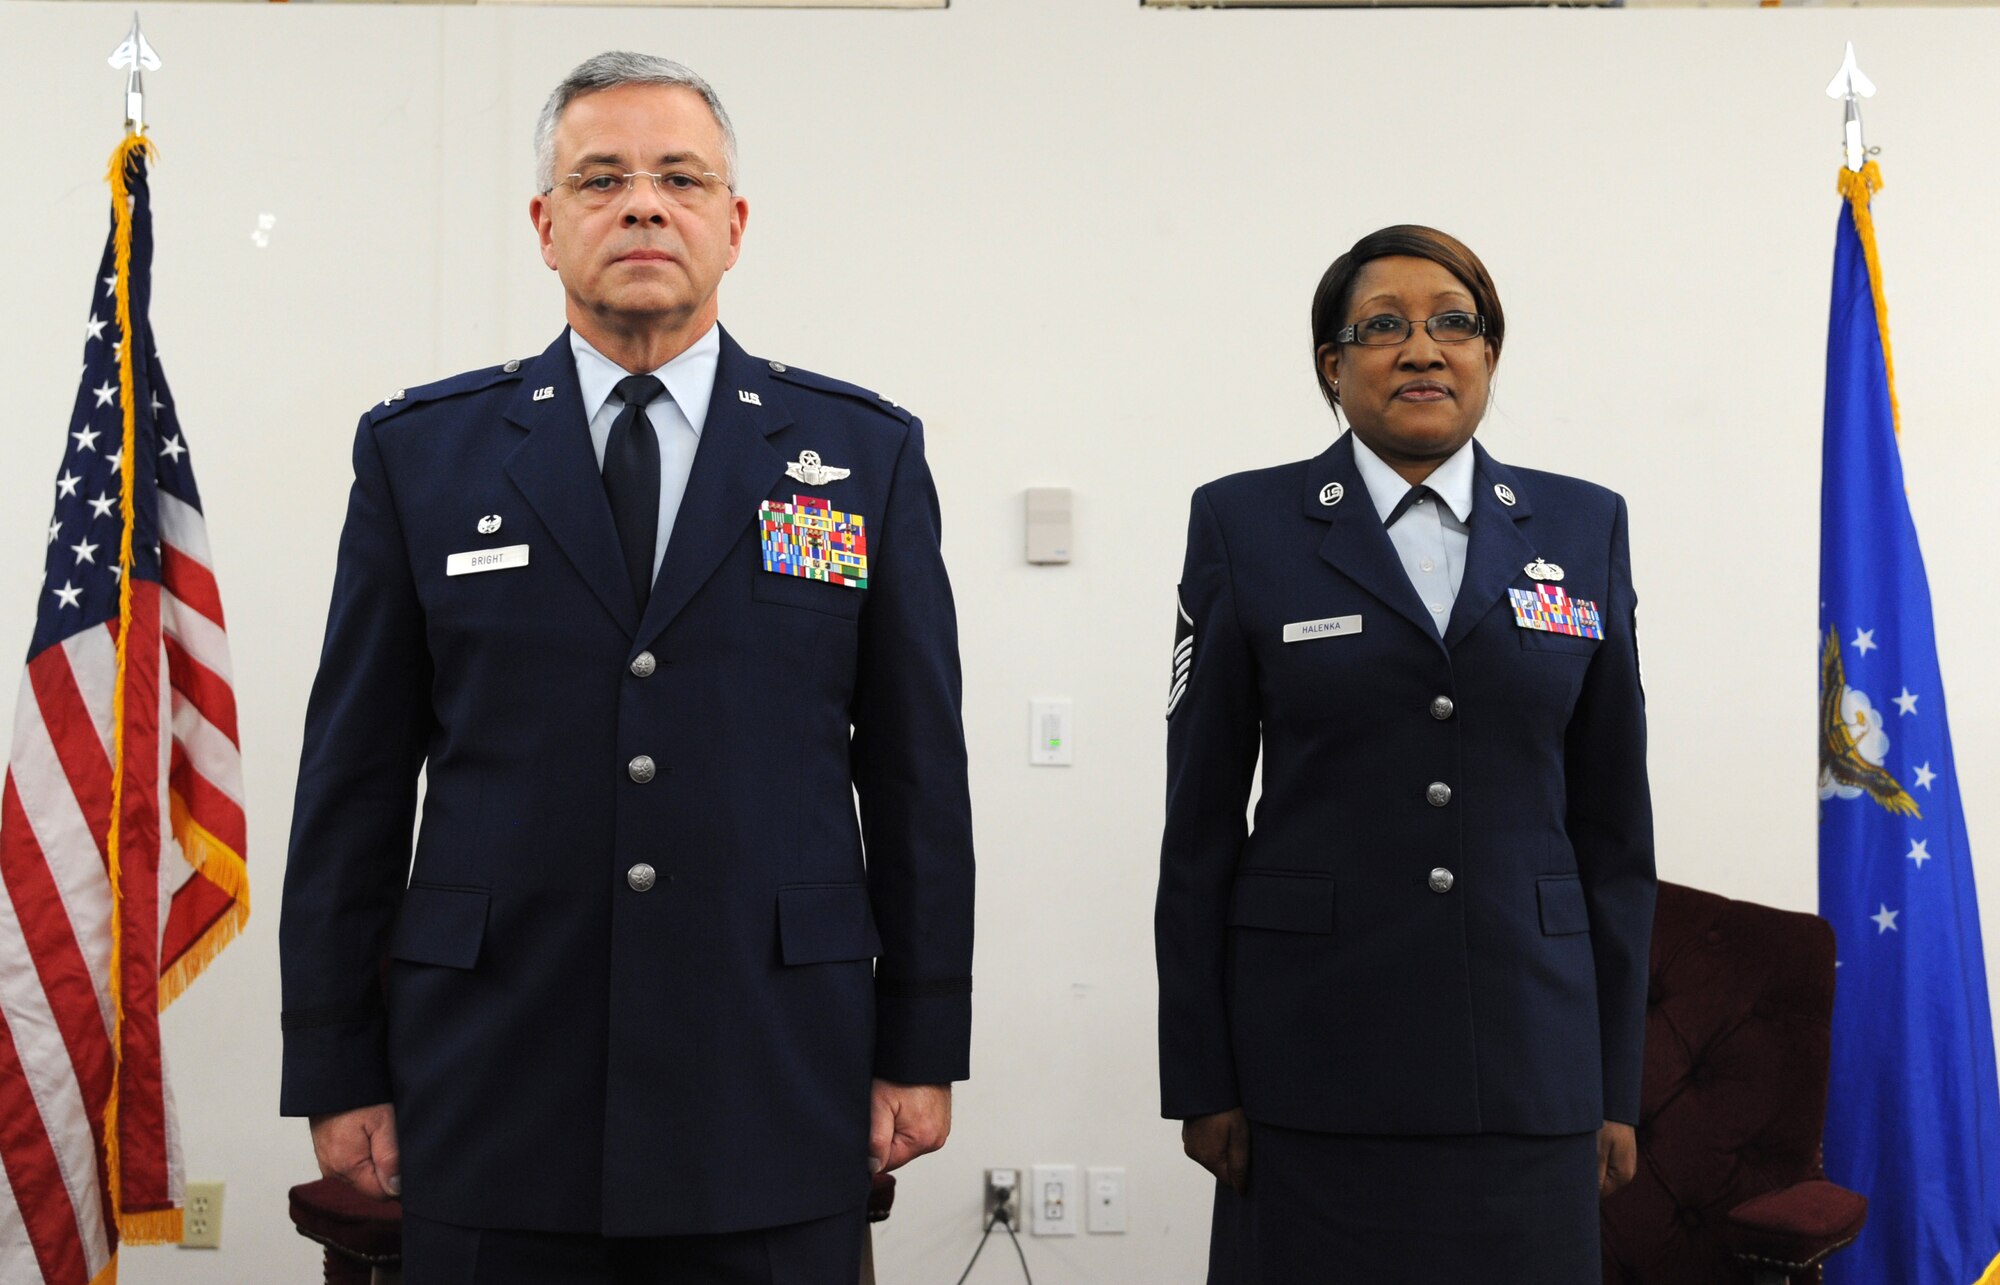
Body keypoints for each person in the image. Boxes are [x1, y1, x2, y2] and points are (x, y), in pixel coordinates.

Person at [278, 51, 975, 1284]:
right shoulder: (421, 456)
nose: (642, 205)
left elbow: (918, 777)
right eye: (600, 179)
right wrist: (338, 1062)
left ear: (732, 223)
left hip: (772, 1070)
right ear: (545, 228)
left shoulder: (859, 455)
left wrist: (920, 1041)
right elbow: (353, 785)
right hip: (495, 1075)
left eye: (679, 177)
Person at [1156, 225, 1654, 1283]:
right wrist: (1201, 1077)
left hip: (1530, 1064)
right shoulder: (1245, 524)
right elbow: (1197, 829)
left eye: (1452, 323)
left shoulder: (1581, 526)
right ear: (1331, 367)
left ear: (1487, 356)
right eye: (1381, 325)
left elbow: (1613, 836)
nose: (1420, 348)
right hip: (1309, 1071)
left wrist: (1613, 1084)